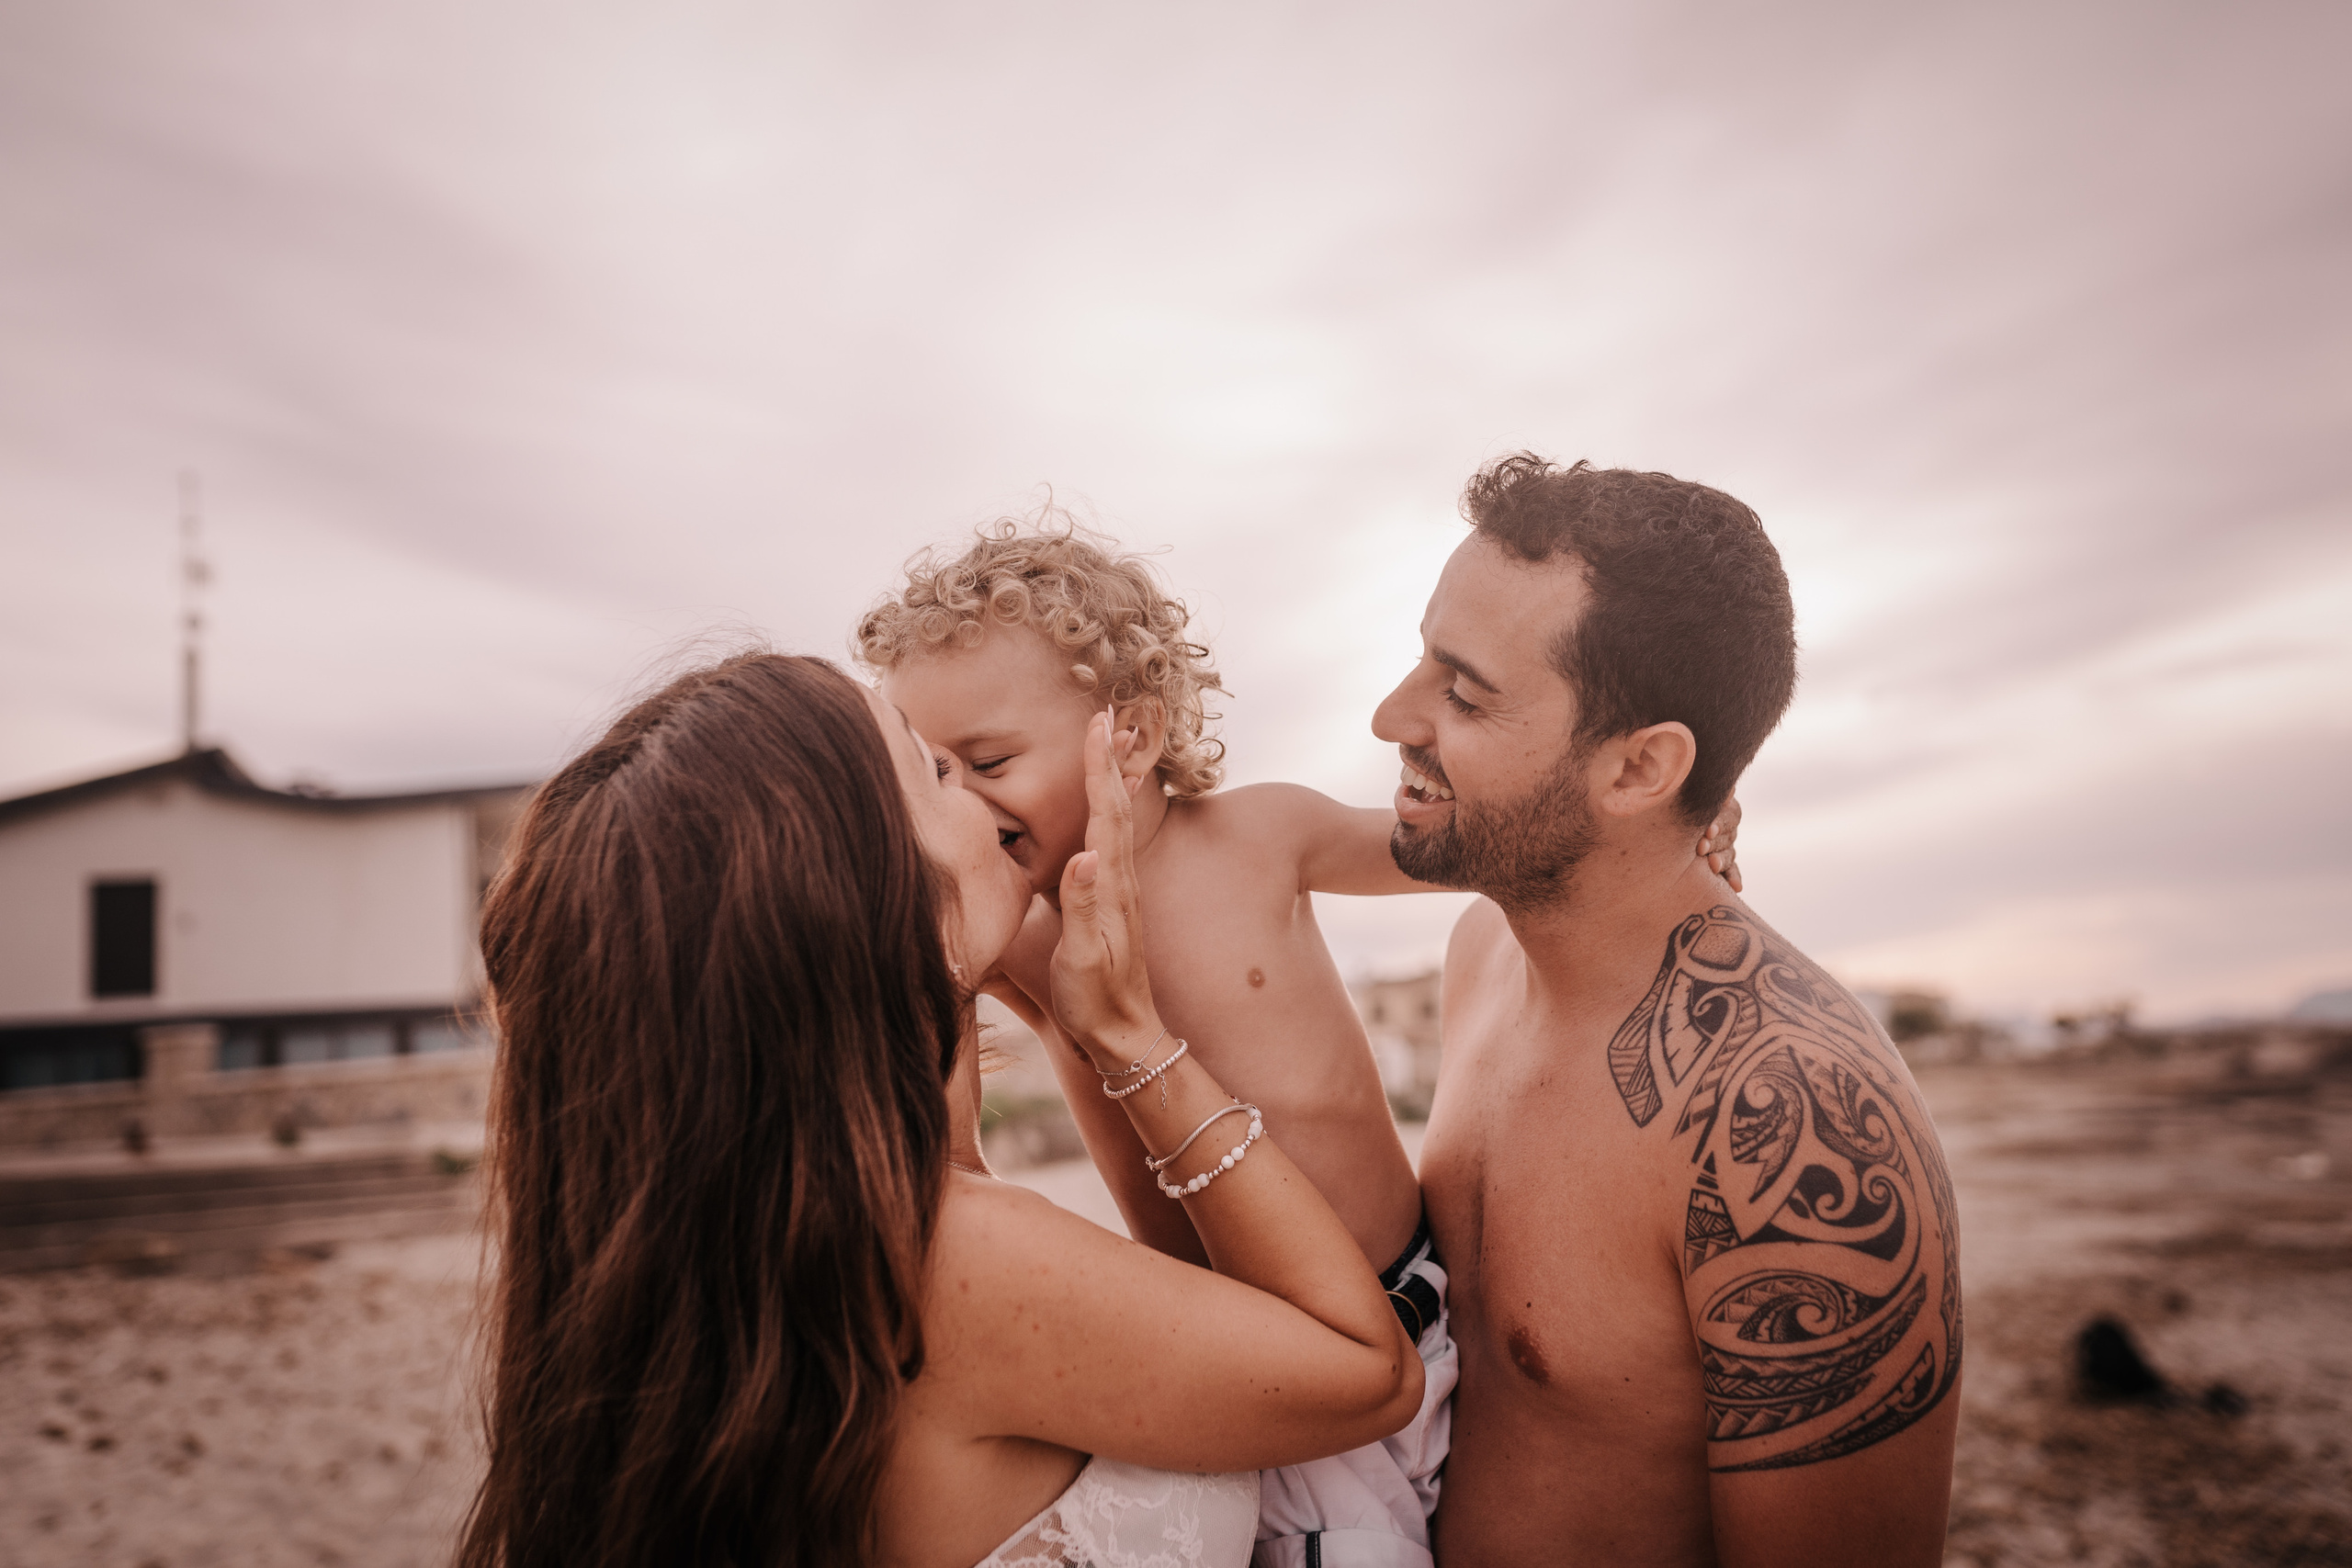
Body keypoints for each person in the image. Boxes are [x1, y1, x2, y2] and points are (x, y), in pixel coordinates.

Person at [858, 525, 1740, 1567]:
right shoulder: (1022, 933)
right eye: (933, 771)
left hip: (1396, 1302)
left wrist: (1653, 834)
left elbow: (1461, 852)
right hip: (1233, 1343)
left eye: (990, 761)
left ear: (1130, 738)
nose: (961, 798)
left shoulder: (1260, 836)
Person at [456, 652, 1424, 1568]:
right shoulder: (952, 1259)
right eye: (934, 770)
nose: (984, 794)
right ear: (867, 891)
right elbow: (1369, 1372)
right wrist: (1130, 1040)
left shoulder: (775, 1234)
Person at [1380, 457, 1963, 1567]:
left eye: (1462, 692)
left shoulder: (1796, 1113)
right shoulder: (1481, 956)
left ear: (1640, 767)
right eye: (1421, 658)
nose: (1389, 716)